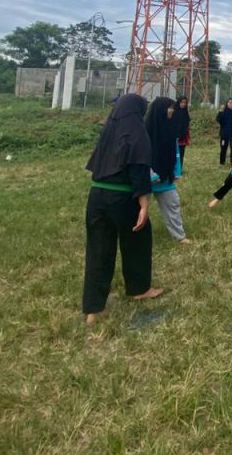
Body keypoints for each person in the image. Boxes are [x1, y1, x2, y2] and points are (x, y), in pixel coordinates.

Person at [82, 93, 164, 325]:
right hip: (123, 196)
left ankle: (93, 309)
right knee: (137, 241)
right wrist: (144, 204)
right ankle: (139, 289)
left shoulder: (108, 130)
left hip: (97, 196)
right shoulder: (137, 132)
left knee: (98, 251)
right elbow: (139, 168)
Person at [145, 96, 191, 244]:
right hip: (146, 178)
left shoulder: (171, 129)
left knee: (173, 203)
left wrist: (176, 172)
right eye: (169, 107)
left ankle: (179, 236)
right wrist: (151, 176)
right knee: (137, 208)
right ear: (160, 110)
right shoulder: (145, 131)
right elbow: (139, 157)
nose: (172, 110)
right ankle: (134, 235)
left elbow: (175, 153)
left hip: (165, 177)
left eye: (172, 107)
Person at [216, 97, 232, 166]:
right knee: (223, 148)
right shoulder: (223, 112)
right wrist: (220, 111)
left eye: (231, 102)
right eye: (229, 102)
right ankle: (222, 162)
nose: (230, 103)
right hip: (224, 134)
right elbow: (218, 119)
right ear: (226, 104)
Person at [173, 96, 191, 171]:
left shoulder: (185, 113)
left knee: (181, 153)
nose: (183, 104)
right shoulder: (174, 112)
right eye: (182, 102)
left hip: (183, 137)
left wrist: (180, 135)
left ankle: (179, 169)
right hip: (173, 136)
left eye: (185, 103)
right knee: (173, 153)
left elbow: (186, 126)